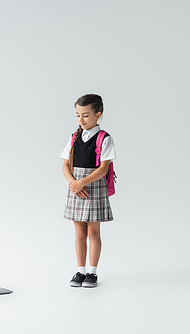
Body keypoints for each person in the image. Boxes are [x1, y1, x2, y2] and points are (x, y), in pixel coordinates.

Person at [60, 94, 116, 288]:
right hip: (76, 186)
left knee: (93, 232)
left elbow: (103, 168)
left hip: (93, 185)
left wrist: (81, 183)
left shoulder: (104, 138)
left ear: (98, 115)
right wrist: (73, 184)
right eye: (77, 115)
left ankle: (92, 272)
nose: (80, 120)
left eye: (85, 115)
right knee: (79, 232)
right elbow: (66, 164)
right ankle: (80, 271)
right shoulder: (74, 137)